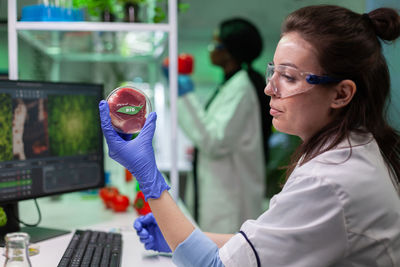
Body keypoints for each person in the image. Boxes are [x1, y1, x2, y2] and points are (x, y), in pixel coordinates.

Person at [99, 5, 400, 266]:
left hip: (230, 193)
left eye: (290, 77)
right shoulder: (345, 152)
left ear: (342, 93)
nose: (270, 88)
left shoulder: (330, 181)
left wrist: (147, 175)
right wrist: (183, 238)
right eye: (274, 71)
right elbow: (266, 246)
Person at [176, 18, 272, 233]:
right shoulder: (231, 84)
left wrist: (185, 97)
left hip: (231, 200)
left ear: (229, 50)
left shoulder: (242, 87)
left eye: (214, 44)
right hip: (222, 193)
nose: (210, 49)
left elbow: (215, 142)